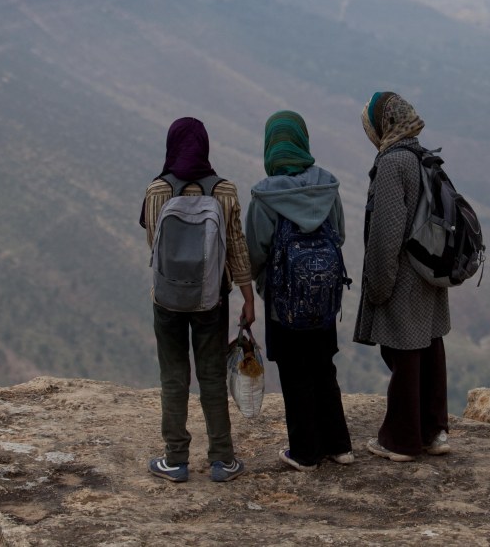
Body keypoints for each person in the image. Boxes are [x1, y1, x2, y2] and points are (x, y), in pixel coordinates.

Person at [140, 117, 255, 483]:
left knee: (173, 378)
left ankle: (175, 459)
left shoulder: (157, 190)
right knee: (211, 377)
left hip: (168, 300)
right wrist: (248, 298)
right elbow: (236, 248)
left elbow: (153, 247)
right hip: (212, 300)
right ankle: (222, 460)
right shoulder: (224, 191)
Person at [245, 111, 354, 472]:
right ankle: (340, 446)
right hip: (323, 300)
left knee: (295, 373)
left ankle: (306, 452)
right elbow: (338, 235)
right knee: (324, 367)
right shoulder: (327, 188)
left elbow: (255, 252)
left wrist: (267, 283)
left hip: (283, 304)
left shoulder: (264, 197)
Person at [354, 92, 451, 462]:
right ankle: (434, 431)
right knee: (429, 346)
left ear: (383, 125)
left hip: (404, 277)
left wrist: (378, 285)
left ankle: (402, 440)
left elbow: (385, 234)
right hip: (430, 272)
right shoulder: (423, 156)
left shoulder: (393, 163)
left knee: (405, 352)